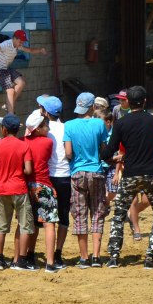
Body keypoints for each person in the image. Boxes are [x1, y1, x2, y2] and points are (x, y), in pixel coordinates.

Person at [101, 86, 153, 268]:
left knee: (119, 214)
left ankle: (114, 256)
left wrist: (107, 156)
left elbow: (110, 149)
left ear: (128, 102)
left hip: (130, 174)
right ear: (144, 101)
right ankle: (151, 256)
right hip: (152, 172)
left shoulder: (122, 123)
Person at [65, 93, 108, 268]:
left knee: (80, 213)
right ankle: (96, 256)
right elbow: (104, 148)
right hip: (96, 171)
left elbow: (68, 153)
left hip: (77, 172)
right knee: (97, 212)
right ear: (92, 107)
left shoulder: (69, 125)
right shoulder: (99, 124)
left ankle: (84, 257)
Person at [0, 113, 34, 270]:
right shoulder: (24, 146)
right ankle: (21, 259)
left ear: (4, 129)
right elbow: (28, 170)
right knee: (25, 225)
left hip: (2, 188)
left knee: (1, 227)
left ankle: (0, 259)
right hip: (19, 187)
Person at [25, 110, 62, 272]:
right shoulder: (47, 142)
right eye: (44, 125)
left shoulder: (24, 142)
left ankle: (30, 255)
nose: (48, 128)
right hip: (44, 184)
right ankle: (50, 262)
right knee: (50, 224)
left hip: (28, 186)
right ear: (37, 129)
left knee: (32, 224)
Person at [0, 29, 46, 114]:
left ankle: (8, 104)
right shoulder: (6, 44)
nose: (21, 43)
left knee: (21, 82)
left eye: (23, 41)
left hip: (6, 68)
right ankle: (10, 114)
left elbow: (30, 50)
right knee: (10, 90)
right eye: (20, 41)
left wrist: (40, 50)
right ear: (14, 38)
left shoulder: (18, 46)